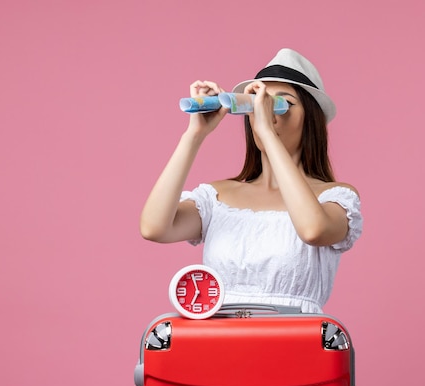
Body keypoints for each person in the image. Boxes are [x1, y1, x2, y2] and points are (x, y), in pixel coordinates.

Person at [140, 48, 363, 313]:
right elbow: (154, 227)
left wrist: (267, 132)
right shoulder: (218, 197)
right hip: (221, 345)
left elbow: (313, 230)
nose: (267, 113)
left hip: (296, 345)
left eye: (282, 104)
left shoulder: (334, 198)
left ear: (311, 119)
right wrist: (194, 134)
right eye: (259, 104)